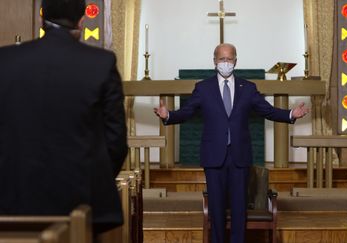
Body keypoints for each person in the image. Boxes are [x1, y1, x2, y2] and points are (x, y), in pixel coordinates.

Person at [154, 43, 309, 243]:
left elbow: (267, 110)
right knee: (216, 210)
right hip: (214, 157)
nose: (225, 63)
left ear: (235, 61)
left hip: (239, 157)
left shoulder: (248, 87)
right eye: (221, 59)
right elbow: (187, 112)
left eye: (229, 59)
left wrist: (290, 114)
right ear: (214, 61)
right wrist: (168, 116)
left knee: (239, 209)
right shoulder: (203, 88)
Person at [0, 0, 128, 236]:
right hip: (80, 198)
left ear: (41, 18)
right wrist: (95, 178)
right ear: (81, 20)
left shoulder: (5, 60)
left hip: (14, 197)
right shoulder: (100, 62)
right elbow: (116, 139)